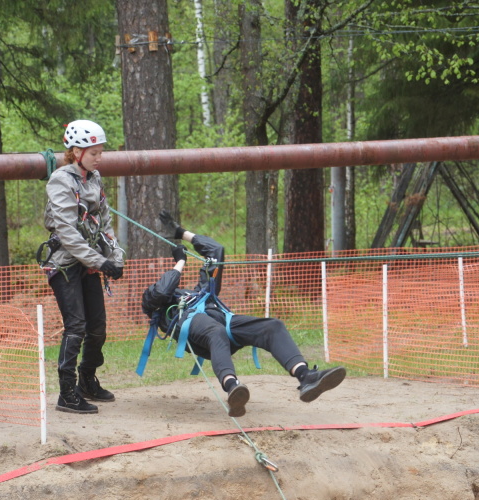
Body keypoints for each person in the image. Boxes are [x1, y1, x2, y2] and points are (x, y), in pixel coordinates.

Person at [141, 210, 346, 417]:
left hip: (224, 325)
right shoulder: (156, 303)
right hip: (199, 333)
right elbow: (162, 290)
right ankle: (233, 388)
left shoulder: (200, 293)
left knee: (272, 327)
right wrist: (180, 261)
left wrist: (180, 232)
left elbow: (215, 250)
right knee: (216, 331)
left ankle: (306, 377)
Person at [40, 119, 125, 414]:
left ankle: (87, 381)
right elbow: (67, 232)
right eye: (93, 153)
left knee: (98, 328)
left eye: (100, 152)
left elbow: (105, 223)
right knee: (76, 326)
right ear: (76, 152)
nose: (99, 157)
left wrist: (115, 256)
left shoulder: (95, 178)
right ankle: (67, 393)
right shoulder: (61, 180)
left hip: (89, 262)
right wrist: (100, 261)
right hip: (64, 264)